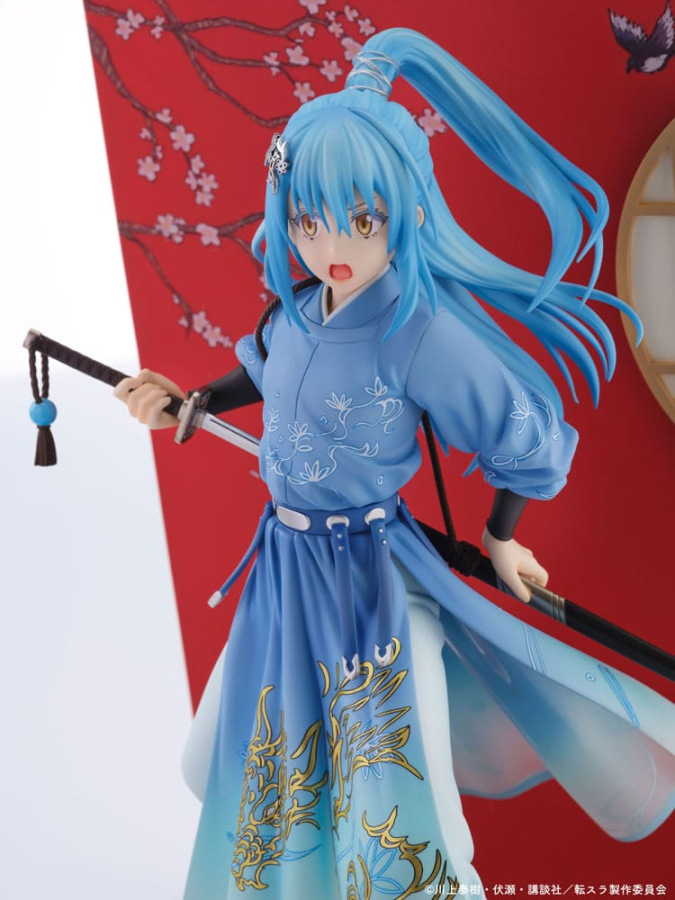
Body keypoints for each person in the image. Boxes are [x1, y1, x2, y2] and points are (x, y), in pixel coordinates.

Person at [114, 28, 674, 900]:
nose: (330, 244)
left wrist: (500, 540)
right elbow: (265, 372)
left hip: (370, 578)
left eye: (360, 220)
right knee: (217, 763)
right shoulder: (298, 310)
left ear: (407, 210)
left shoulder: (418, 332)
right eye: (308, 221)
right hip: (283, 571)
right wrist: (189, 402)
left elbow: (522, 438)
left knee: (404, 809)